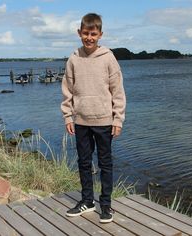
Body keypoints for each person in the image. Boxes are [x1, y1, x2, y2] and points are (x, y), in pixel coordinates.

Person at [61, 13, 126, 223]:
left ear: (100, 34)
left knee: (105, 163)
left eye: (93, 34)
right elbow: (67, 90)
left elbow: (118, 91)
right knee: (83, 162)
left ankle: (106, 205)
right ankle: (87, 201)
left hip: (104, 121)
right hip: (80, 121)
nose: (89, 37)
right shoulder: (73, 58)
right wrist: (68, 116)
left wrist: (118, 119)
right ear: (79, 33)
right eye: (86, 33)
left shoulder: (108, 57)